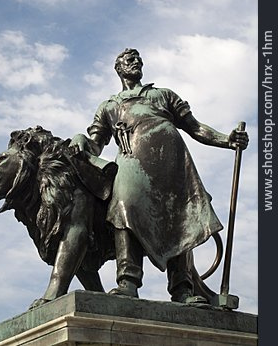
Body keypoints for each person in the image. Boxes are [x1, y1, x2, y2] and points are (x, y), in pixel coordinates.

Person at [71, 48, 249, 303]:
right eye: (130, 60)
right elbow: (96, 144)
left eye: (139, 59)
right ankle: (128, 282)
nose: (137, 62)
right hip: (133, 164)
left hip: (173, 165)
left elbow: (196, 128)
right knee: (124, 206)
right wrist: (81, 139)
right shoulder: (109, 106)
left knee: (181, 219)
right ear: (119, 69)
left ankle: (183, 290)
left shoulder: (162, 95)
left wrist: (227, 139)